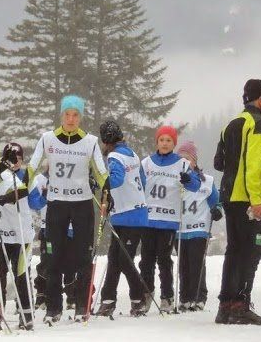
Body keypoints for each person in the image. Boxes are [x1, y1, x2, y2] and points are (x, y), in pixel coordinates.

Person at [28, 95, 107, 323]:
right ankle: (54, 308)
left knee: (83, 257)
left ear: (80, 117)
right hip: (57, 204)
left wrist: (107, 189)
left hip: (82, 204)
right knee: (53, 257)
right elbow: (33, 165)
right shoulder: (48, 139)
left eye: (75, 115)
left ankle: (82, 305)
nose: (71, 119)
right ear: (61, 115)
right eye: (67, 114)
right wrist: (23, 181)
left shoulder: (90, 141)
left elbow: (101, 173)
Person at [213, 78, 261, 325]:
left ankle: (225, 307)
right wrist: (256, 200)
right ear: (259, 100)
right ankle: (241, 305)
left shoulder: (231, 123)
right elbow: (251, 164)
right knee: (250, 252)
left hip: (228, 195)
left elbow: (219, 162)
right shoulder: (258, 123)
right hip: (247, 198)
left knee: (234, 250)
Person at [140, 125, 199, 313]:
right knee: (146, 260)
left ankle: (167, 296)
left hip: (168, 220)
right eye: (162, 140)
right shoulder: (147, 163)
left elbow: (195, 185)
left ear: (174, 144)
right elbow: (137, 184)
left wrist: (188, 180)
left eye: (169, 141)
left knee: (164, 260)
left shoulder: (181, 164)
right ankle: (146, 293)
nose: (165, 144)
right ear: (157, 142)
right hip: (148, 218)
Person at [94, 120, 150, 318]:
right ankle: (108, 300)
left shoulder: (114, 156)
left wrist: (100, 183)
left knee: (124, 261)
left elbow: (116, 179)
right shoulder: (132, 154)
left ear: (105, 141)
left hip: (131, 214)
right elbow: (142, 180)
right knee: (114, 259)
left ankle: (139, 298)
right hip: (126, 213)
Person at [0, 142, 38, 329]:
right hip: (1, 235)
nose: (16, 163)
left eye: (19, 159)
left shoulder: (17, 177)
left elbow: (26, 194)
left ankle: (26, 315)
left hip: (21, 236)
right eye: (12, 159)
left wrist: (2, 199)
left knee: (21, 274)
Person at [176, 141, 221, 312]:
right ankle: (185, 297)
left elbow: (216, 201)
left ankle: (198, 297)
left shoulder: (206, 181)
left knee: (197, 263)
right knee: (183, 265)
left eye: (188, 159)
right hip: (180, 230)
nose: (185, 163)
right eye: (181, 159)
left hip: (199, 229)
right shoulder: (175, 180)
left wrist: (217, 210)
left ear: (194, 161)